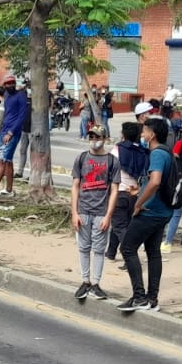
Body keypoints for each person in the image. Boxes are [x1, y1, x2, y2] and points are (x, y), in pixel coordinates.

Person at [115, 117, 178, 314]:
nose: (142, 135)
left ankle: (139, 297)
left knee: (127, 248)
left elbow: (156, 182)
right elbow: (153, 183)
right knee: (153, 253)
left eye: (144, 131)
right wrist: (139, 192)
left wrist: (139, 203)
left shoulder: (158, 154)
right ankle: (152, 298)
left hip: (151, 211)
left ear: (152, 134)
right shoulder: (167, 152)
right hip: (163, 211)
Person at [70, 125, 119, 302]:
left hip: (101, 212)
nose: (93, 140)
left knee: (99, 250)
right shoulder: (82, 158)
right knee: (83, 248)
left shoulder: (112, 161)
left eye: (96, 137)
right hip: (83, 211)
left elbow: (114, 190)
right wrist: (74, 212)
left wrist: (108, 215)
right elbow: (75, 186)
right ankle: (85, 281)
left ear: (105, 139)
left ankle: (96, 284)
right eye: (91, 137)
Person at [0, 77, 28, 198]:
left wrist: (11, 132)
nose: (10, 85)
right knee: (7, 161)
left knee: (3, 160)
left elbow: (21, 116)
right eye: (8, 83)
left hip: (12, 132)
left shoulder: (21, 96)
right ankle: (8, 189)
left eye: (12, 83)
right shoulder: (7, 96)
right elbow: (5, 114)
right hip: (4, 131)